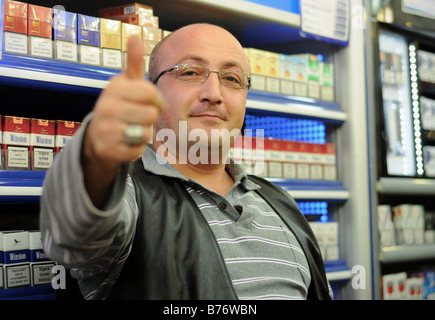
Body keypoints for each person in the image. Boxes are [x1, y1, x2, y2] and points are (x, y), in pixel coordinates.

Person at [40, 23, 332, 300]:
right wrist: (99, 160)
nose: (214, 94)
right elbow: (77, 236)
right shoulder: (129, 194)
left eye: (231, 79)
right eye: (191, 72)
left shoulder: (281, 202)